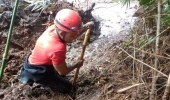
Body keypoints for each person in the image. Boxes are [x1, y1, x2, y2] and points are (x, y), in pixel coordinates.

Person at [18, 8, 94, 93]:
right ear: (62, 33)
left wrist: (85, 27)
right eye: (72, 36)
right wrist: (77, 64)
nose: (75, 38)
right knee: (67, 87)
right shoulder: (57, 48)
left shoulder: (54, 28)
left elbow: (72, 31)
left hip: (36, 60)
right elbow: (63, 71)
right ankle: (39, 80)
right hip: (38, 71)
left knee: (60, 72)